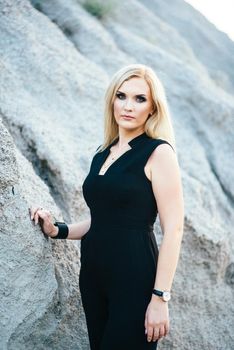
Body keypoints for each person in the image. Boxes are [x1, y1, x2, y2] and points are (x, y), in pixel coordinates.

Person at [29, 63, 184, 350]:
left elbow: (174, 229)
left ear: (152, 108)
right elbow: (101, 220)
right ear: (112, 99)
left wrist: (160, 297)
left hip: (134, 279)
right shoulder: (102, 154)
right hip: (93, 278)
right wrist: (56, 230)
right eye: (121, 95)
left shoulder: (158, 152)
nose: (128, 105)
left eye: (140, 99)